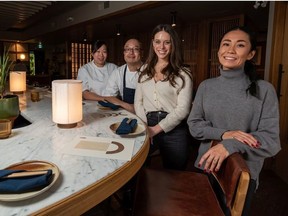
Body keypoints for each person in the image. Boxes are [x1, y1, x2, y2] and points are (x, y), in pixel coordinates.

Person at [187, 26, 281, 214]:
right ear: (219, 50)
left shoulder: (264, 90)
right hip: (206, 167)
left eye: (240, 45)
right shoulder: (206, 86)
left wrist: (229, 144)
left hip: (241, 174)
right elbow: (194, 126)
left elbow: (271, 141)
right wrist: (223, 134)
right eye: (226, 44)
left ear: (250, 54)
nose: (230, 50)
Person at [134, 24, 193, 170]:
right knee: (137, 168)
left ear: (173, 44)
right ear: (152, 43)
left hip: (174, 127)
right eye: (158, 41)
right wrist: (145, 126)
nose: (162, 46)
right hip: (146, 122)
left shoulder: (183, 73)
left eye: (167, 42)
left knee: (175, 175)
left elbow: (183, 110)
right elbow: (138, 102)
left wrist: (156, 129)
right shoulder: (143, 70)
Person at [102, 38, 143, 113]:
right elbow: (108, 96)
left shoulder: (149, 72)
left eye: (135, 49)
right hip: (126, 113)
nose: (131, 52)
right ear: (124, 53)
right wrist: (127, 106)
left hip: (146, 114)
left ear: (141, 52)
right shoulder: (118, 72)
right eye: (127, 49)